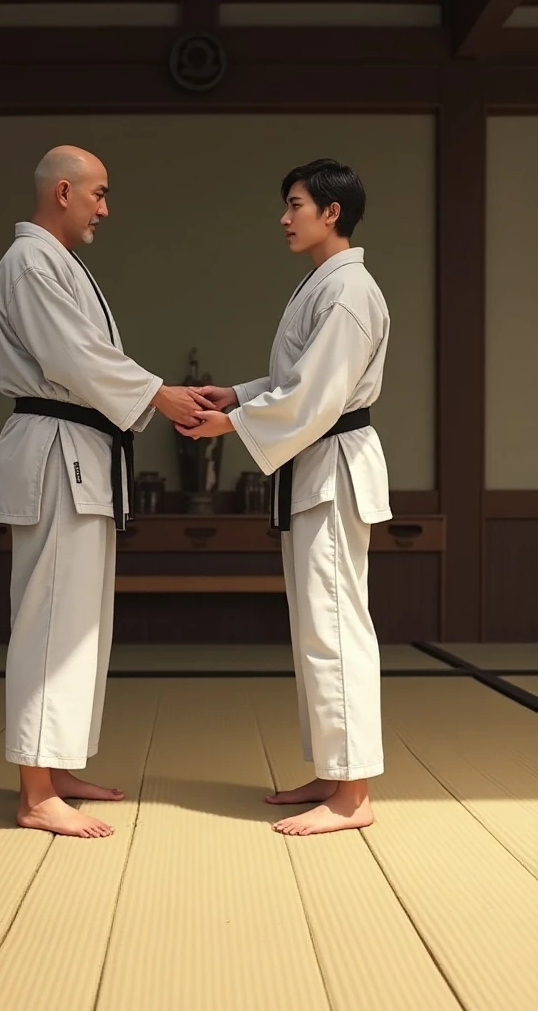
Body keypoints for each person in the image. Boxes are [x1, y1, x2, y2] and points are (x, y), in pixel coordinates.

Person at [0, 145, 212, 838]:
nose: (106, 209)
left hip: (81, 448)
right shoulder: (28, 263)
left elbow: (91, 361)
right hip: (56, 448)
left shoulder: (59, 265)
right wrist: (160, 396)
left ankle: (53, 767)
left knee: (80, 619)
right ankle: (33, 790)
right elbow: (74, 359)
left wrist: (153, 395)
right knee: (50, 616)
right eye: (99, 195)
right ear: (63, 191)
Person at [178, 158, 391, 836]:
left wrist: (232, 424)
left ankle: (354, 795)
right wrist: (238, 397)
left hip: (332, 469)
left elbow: (317, 394)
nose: (284, 216)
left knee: (334, 628)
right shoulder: (324, 286)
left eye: (295, 203)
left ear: (331, 212)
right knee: (316, 629)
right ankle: (336, 771)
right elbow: (296, 378)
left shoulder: (349, 291)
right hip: (316, 467)